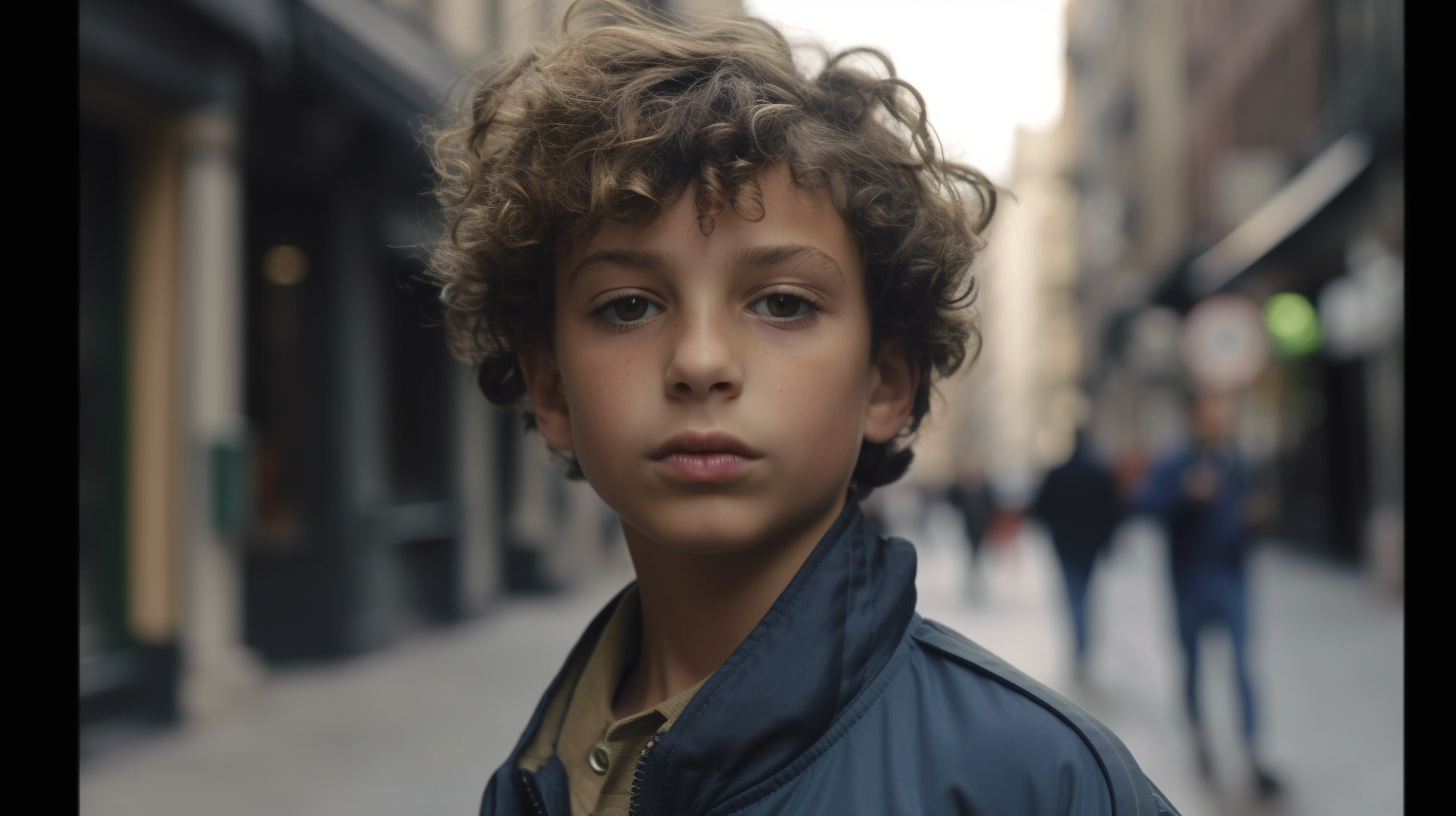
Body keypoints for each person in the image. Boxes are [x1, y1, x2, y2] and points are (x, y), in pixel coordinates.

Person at [426, 2, 1180, 813]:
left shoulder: (1042, 784)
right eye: (628, 307)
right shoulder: (538, 775)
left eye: (782, 303)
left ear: (886, 384)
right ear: (550, 392)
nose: (701, 361)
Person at [1137, 389, 1281, 798]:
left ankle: (1253, 754)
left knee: (1242, 666)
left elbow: (1246, 514)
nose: (1220, 419)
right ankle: (1201, 742)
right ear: (1196, 416)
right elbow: (1144, 504)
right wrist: (1186, 493)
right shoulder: (1173, 462)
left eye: (1225, 411)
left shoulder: (1236, 461)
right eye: (1213, 411)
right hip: (1188, 580)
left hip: (1232, 576)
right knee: (1194, 666)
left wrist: (1255, 519)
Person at [1028, 429, 1123, 684]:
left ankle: (1079, 646)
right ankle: (1083, 645)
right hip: (1089, 546)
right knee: (1086, 596)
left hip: (1066, 545)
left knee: (1073, 596)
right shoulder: (1100, 473)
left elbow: (1040, 510)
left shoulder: (1058, 474)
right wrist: (1107, 542)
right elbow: (1113, 511)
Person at [943, 457, 998, 602]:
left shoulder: (985, 488)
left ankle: (977, 585)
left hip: (981, 528)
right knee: (971, 557)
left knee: (978, 557)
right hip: (967, 528)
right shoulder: (961, 488)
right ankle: (971, 585)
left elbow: (992, 506)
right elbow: (951, 502)